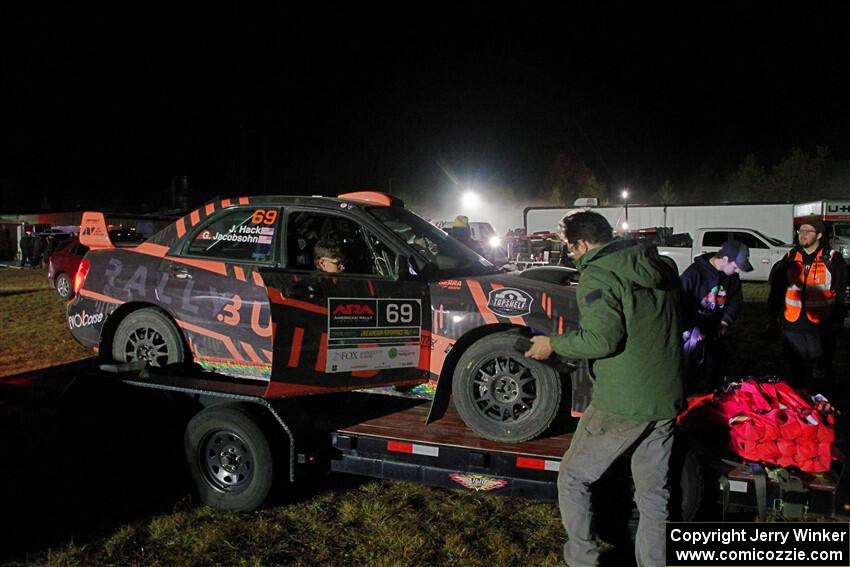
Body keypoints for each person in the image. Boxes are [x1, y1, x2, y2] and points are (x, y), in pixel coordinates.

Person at [525, 211, 683, 567]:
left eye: (570, 248)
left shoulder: (599, 272)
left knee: (572, 478)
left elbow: (601, 339)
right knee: (654, 496)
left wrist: (553, 344)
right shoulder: (659, 264)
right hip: (665, 396)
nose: (572, 256)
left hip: (623, 402)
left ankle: (582, 559)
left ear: (582, 243)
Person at [767, 219, 848, 389]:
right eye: (800, 231)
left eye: (807, 231)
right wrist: (772, 317)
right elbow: (777, 290)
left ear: (819, 235)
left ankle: (820, 405)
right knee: (795, 373)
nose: (802, 234)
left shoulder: (832, 258)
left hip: (820, 328)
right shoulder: (790, 257)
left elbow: (840, 293)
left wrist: (837, 322)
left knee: (820, 372)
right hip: (792, 326)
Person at [680, 239, 753, 391]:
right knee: (690, 377)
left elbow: (736, 300)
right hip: (692, 338)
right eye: (735, 267)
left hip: (715, 333)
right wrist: (690, 327)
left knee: (714, 373)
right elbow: (678, 303)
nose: (738, 271)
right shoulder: (694, 273)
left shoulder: (731, 276)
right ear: (725, 259)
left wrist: (726, 321)